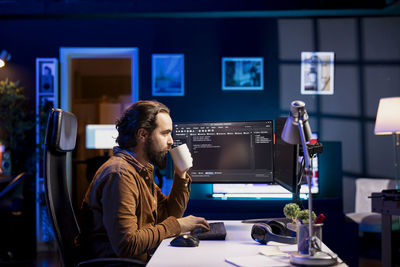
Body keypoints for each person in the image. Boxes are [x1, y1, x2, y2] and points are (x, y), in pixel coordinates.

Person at [78, 100, 209, 262]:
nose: (171, 141)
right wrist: (179, 226)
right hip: (120, 265)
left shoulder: (140, 170)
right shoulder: (120, 174)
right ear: (143, 135)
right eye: (165, 133)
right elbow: (127, 245)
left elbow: (169, 215)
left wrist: (180, 174)